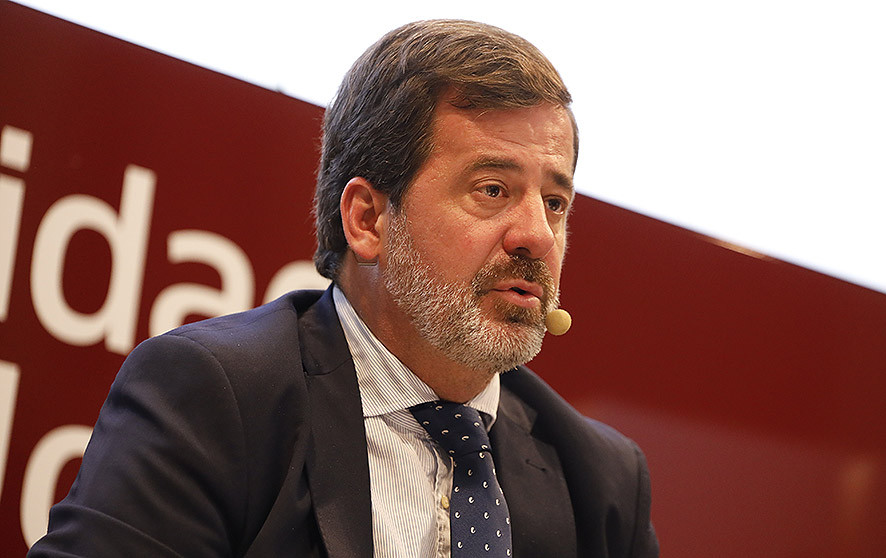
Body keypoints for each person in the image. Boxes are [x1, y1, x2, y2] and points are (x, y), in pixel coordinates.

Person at [29, 19, 658, 557]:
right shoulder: (215, 398)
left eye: (554, 203)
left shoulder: (602, 482)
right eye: (492, 189)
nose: (538, 236)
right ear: (367, 220)